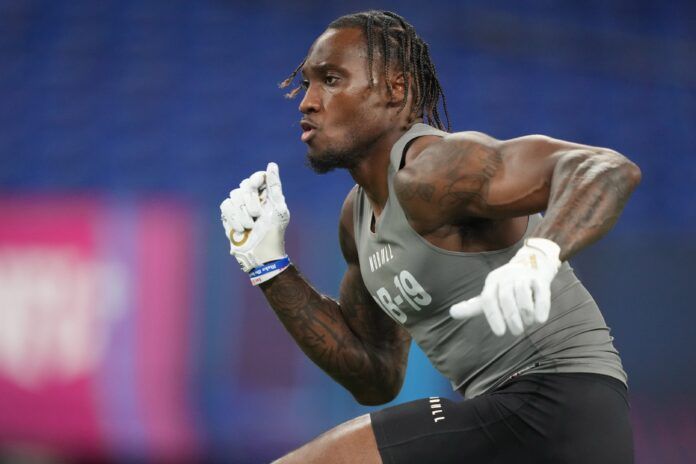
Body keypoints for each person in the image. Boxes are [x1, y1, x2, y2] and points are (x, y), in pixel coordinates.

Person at [220, 10, 641, 464]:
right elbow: (376, 375)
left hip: (558, 403)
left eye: (332, 79)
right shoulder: (356, 219)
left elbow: (607, 169)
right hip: (507, 417)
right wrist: (270, 268)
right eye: (307, 84)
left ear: (395, 89)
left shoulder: (434, 170)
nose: (308, 101)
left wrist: (539, 254)